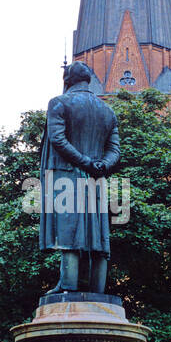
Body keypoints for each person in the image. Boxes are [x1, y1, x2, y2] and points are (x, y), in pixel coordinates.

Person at [39, 61, 120, 294]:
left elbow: (58, 139)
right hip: (97, 178)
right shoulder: (107, 111)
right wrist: (101, 165)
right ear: (89, 80)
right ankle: (97, 290)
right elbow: (115, 150)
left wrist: (84, 163)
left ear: (67, 80)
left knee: (69, 232)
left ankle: (68, 287)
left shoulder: (59, 103)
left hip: (68, 175)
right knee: (98, 235)